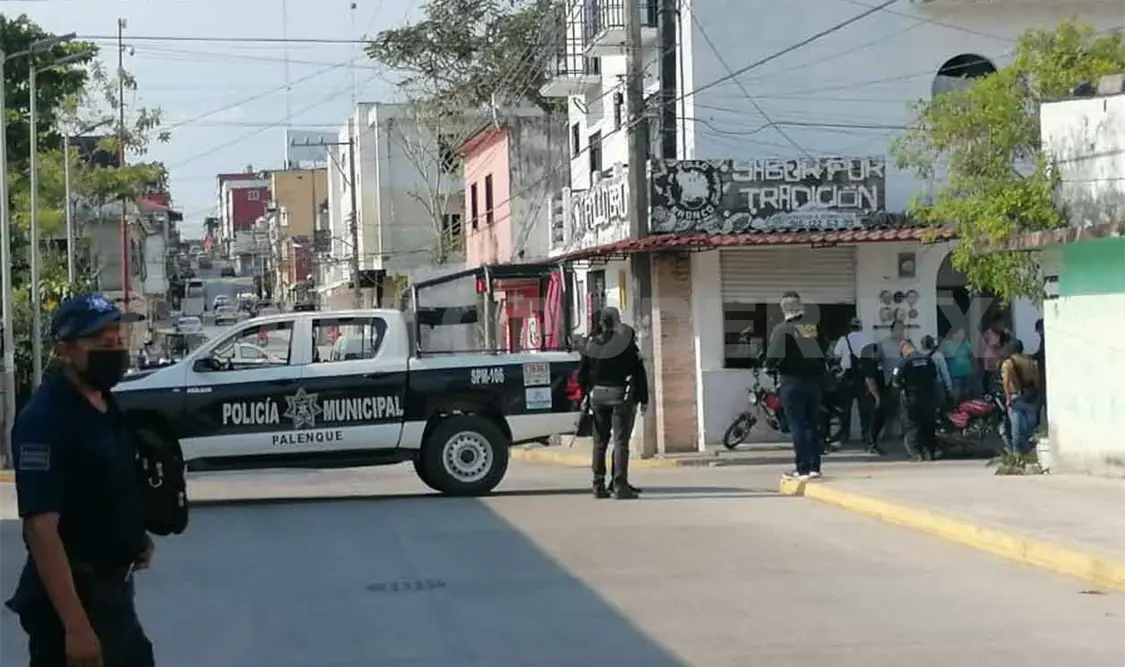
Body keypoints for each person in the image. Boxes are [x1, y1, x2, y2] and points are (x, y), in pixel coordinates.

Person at [6, 294, 156, 667]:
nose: (113, 346)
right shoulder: (45, 418)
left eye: (117, 337)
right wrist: (75, 626)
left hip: (114, 596)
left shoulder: (104, 403)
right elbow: (41, 529)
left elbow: (104, 484)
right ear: (65, 351)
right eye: (99, 340)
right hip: (74, 603)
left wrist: (134, 535)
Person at [578, 307, 648, 500]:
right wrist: (643, 399)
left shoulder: (591, 344)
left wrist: (584, 395)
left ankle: (598, 485)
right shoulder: (625, 345)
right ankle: (619, 485)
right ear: (616, 322)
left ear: (601, 323)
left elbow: (582, 373)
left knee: (599, 442)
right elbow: (638, 372)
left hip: (597, 397)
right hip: (620, 397)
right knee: (620, 442)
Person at [766, 292, 827, 480]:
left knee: (797, 425)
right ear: (800, 307)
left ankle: (802, 468)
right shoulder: (810, 328)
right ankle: (815, 466)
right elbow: (823, 350)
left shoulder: (782, 330)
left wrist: (770, 368)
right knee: (812, 424)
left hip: (792, 382)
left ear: (784, 309)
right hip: (814, 383)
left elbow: (772, 358)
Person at [893, 339, 940, 461]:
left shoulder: (904, 362)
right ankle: (930, 452)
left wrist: (904, 388)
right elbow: (935, 376)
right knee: (928, 425)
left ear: (904, 349)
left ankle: (916, 454)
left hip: (912, 398)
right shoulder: (928, 360)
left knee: (912, 425)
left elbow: (895, 382)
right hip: (929, 397)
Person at [831, 317, 871, 444]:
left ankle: (844, 436)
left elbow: (836, 355)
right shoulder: (867, 339)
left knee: (845, 409)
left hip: (847, 377)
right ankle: (866, 435)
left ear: (850, 327)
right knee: (864, 408)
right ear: (860, 327)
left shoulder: (844, 339)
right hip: (863, 376)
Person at [1001, 339, 1041, 455]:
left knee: (1016, 428)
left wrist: (1007, 398)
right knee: (1031, 429)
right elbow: (1037, 380)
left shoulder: (1008, 363)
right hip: (1031, 397)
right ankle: (1031, 452)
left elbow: (1006, 382)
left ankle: (1018, 454)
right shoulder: (1031, 361)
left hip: (1016, 398)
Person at [855, 341, 887, 455]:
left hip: (867, 396)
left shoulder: (866, 363)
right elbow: (870, 380)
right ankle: (872, 444)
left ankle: (871, 443)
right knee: (874, 420)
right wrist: (877, 397)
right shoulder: (869, 364)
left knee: (872, 420)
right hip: (871, 396)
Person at [976, 315, 1010, 394]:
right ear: (994, 323)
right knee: (990, 389)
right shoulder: (987, 335)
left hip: (1002, 366)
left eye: (1003, 323)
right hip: (989, 368)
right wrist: (980, 366)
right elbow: (980, 351)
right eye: (1000, 323)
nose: (1002, 325)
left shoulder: (1004, 336)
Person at [939, 328, 974, 402]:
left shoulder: (966, 343)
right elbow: (940, 356)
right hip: (955, 374)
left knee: (967, 394)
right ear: (954, 335)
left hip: (967, 373)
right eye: (959, 334)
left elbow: (971, 356)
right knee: (956, 395)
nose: (961, 336)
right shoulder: (947, 344)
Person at [920, 335, 952, 406]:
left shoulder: (918, 355)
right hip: (937, 383)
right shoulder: (938, 355)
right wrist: (949, 387)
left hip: (923, 385)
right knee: (940, 406)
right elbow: (944, 372)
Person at [1033, 318, 1047, 424]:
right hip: (1042, 373)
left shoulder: (1046, 339)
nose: (1039, 333)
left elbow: (1042, 355)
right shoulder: (1043, 339)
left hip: (1045, 374)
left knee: (1041, 401)